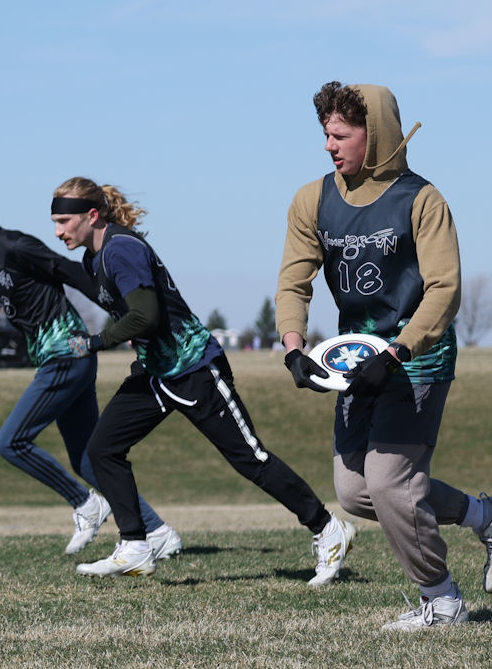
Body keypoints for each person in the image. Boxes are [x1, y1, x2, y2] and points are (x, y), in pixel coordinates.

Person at [277, 82, 492, 630]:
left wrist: (396, 353)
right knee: (356, 492)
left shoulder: (422, 200)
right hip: (355, 363)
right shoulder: (312, 200)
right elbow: (294, 281)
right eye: (325, 135)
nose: (328, 146)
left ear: (377, 135)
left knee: (390, 483)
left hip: (417, 359)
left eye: (341, 135)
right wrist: (293, 347)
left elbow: (444, 289)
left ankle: (442, 601)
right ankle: (488, 515)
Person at [52, 177, 343, 579]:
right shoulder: (94, 258)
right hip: (156, 373)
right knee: (103, 448)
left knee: (251, 460)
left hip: (195, 370)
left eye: (63, 221)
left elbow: (146, 316)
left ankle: (328, 528)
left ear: (91, 215)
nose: (58, 231)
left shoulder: (120, 250)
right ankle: (135, 544)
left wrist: (95, 342)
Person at [0, 187, 175, 559]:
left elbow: (72, 273)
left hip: (66, 353)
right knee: (88, 459)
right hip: (62, 360)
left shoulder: (16, 246)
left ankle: (85, 503)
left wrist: (126, 319)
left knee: (10, 442)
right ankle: (158, 531)